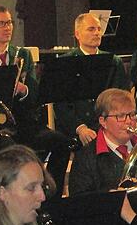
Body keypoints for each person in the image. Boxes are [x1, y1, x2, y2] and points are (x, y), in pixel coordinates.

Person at [0, 4, 71, 197]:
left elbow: (36, 94)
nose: (7, 27)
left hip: (22, 121)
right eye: (1, 23)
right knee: (10, 149)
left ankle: (52, 197)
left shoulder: (23, 55)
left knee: (60, 142)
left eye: (9, 23)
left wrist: (24, 89)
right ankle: (17, 197)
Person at [54, 13, 130, 146]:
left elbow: (122, 96)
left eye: (99, 29)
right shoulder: (66, 62)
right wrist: (80, 128)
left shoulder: (114, 61)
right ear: (77, 34)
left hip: (109, 124)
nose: (97, 33)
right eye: (91, 29)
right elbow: (61, 105)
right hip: (79, 126)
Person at [69, 88, 137, 195]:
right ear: (103, 121)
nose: (129, 121)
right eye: (120, 116)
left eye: (132, 114)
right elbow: (79, 201)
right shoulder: (86, 157)